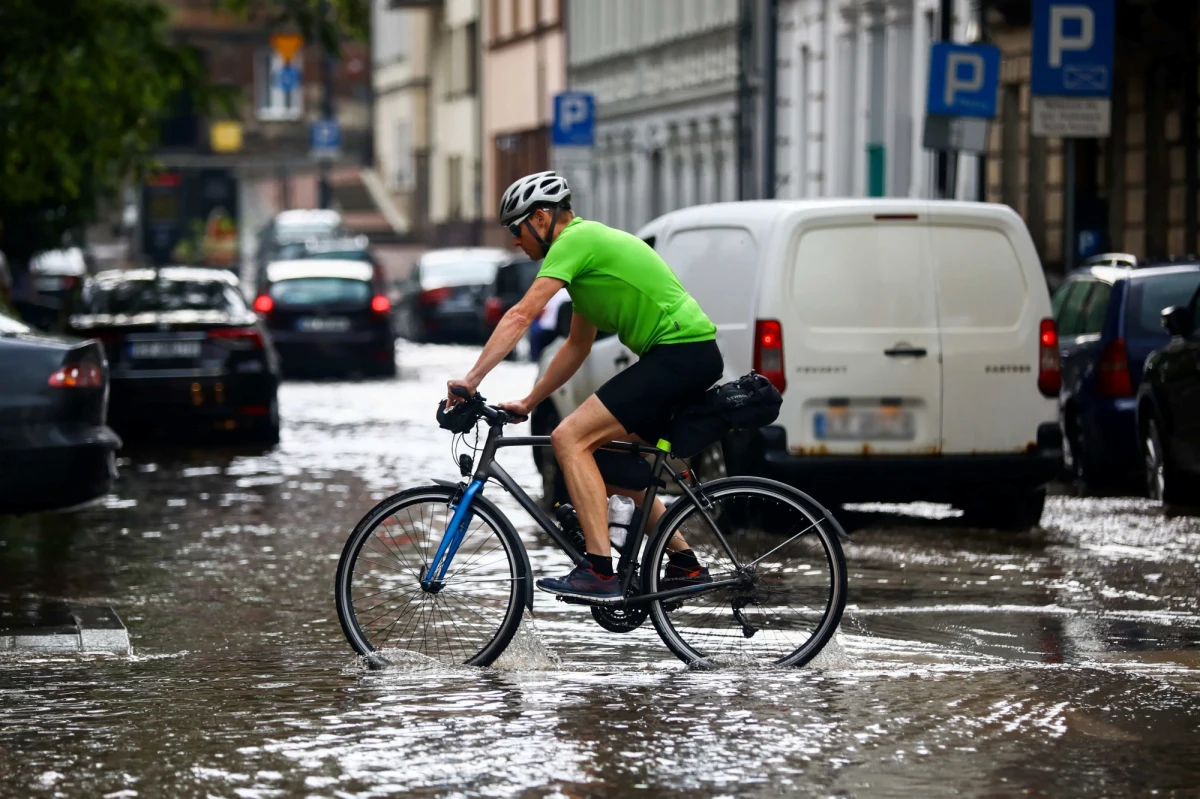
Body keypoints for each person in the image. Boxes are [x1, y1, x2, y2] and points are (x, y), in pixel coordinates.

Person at [447, 171, 723, 604]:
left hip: (679, 353)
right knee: (609, 458)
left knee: (568, 437)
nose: (516, 243)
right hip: (680, 356)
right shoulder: (584, 262)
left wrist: (471, 378)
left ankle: (599, 570)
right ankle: (686, 566)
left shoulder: (576, 241)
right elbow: (576, 345)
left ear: (541, 218)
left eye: (516, 230)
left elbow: (521, 315)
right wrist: (530, 401)